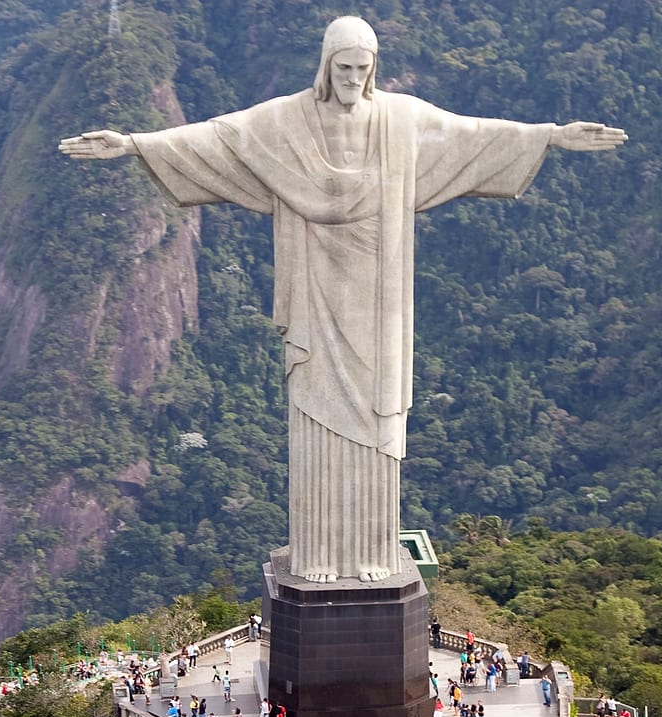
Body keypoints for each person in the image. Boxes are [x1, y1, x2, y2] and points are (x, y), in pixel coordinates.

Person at [60, 17, 626, 585]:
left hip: (379, 294)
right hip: (315, 289)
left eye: (362, 68)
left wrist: (552, 136)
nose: (353, 78)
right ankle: (317, 555)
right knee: (317, 411)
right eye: (344, 67)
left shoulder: (401, 118)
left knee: (376, 416)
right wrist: (133, 144)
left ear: (374, 69)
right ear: (326, 65)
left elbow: (473, 134)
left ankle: (371, 555)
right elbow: (218, 137)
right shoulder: (287, 120)